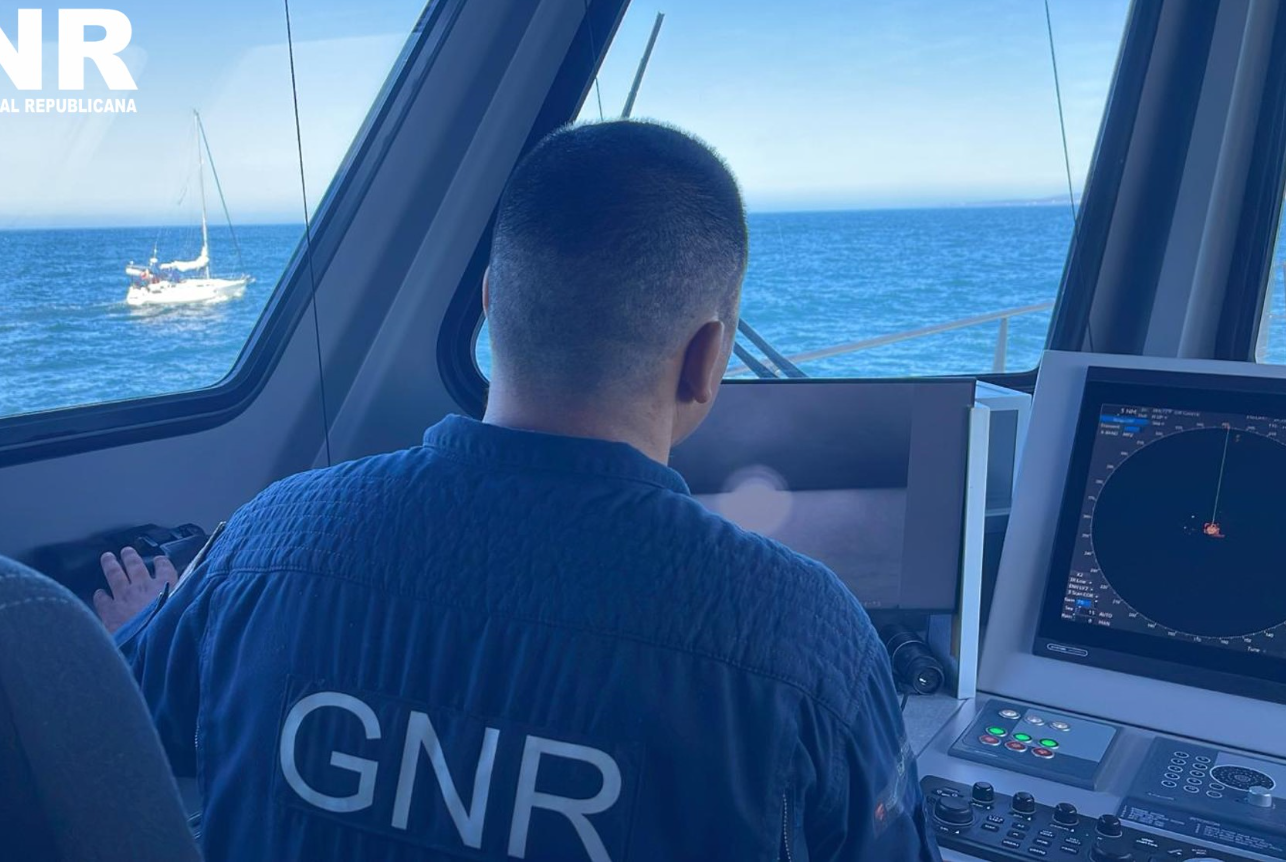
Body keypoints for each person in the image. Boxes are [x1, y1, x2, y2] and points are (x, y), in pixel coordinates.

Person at [99, 119, 940, 862]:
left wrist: (138, 625)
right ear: (707, 355)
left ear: (491, 305)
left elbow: (124, 714)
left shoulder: (267, 541)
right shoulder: (807, 644)